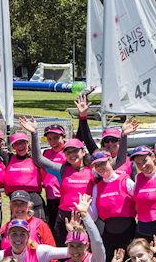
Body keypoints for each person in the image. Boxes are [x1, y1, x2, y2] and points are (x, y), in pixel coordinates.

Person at [23, 115, 132, 245]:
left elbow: (120, 161)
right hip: (65, 217)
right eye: (68, 152)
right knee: (65, 252)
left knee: (89, 252)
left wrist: (124, 135)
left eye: (75, 151)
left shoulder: (94, 170)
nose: (72, 154)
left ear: (83, 152)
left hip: (87, 217)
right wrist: (34, 133)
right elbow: (39, 160)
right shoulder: (62, 170)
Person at [74, 93, 132, 175]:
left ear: (119, 141)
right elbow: (87, 138)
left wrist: (124, 136)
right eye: (107, 140)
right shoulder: (97, 155)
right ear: (103, 142)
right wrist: (82, 116)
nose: (110, 143)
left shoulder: (129, 160)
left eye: (114, 140)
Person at [40, 123, 67, 232]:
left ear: (63, 137)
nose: (53, 142)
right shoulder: (46, 153)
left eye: (56, 138)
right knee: (53, 225)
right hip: (51, 196)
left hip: (65, 196)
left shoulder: (69, 152)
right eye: (50, 139)